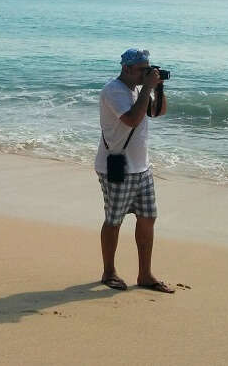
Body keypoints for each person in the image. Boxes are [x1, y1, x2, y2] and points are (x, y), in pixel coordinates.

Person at [95, 48, 175, 293]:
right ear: (126, 68)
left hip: (142, 167)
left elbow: (156, 113)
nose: (146, 73)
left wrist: (157, 87)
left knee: (148, 217)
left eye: (148, 69)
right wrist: (148, 88)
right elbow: (131, 119)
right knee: (114, 220)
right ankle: (109, 271)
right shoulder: (113, 90)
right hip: (116, 166)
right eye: (142, 70)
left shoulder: (138, 89)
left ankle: (145, 275)